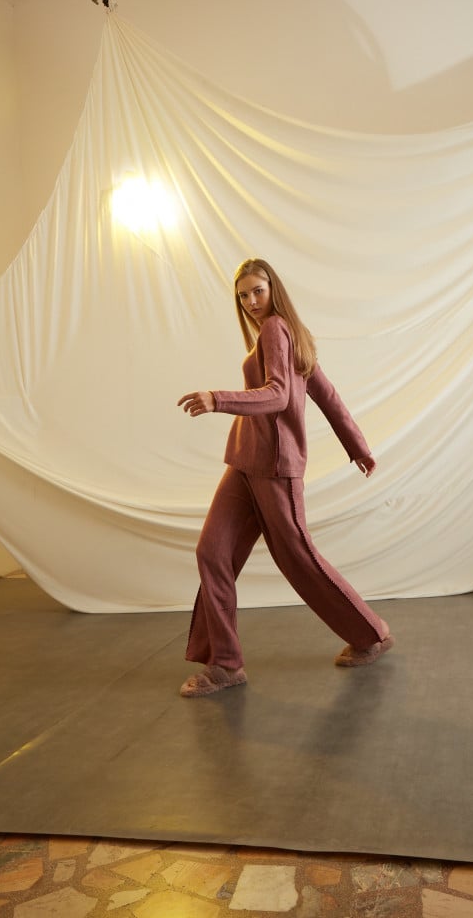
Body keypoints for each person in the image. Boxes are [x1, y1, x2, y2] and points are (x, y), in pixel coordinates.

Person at [177, 258, 393, 697]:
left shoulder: (278, 329)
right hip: (244, 463)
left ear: (273, 289)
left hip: (275, 468)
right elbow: (327, 394)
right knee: (212, 552)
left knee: (298, 558)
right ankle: (225, 664)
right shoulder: (281, 334)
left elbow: (278, 396)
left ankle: (371, 634)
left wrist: (217, 399)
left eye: (257, 290)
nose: (250, 301)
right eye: (243, 295)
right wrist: (357, 446)